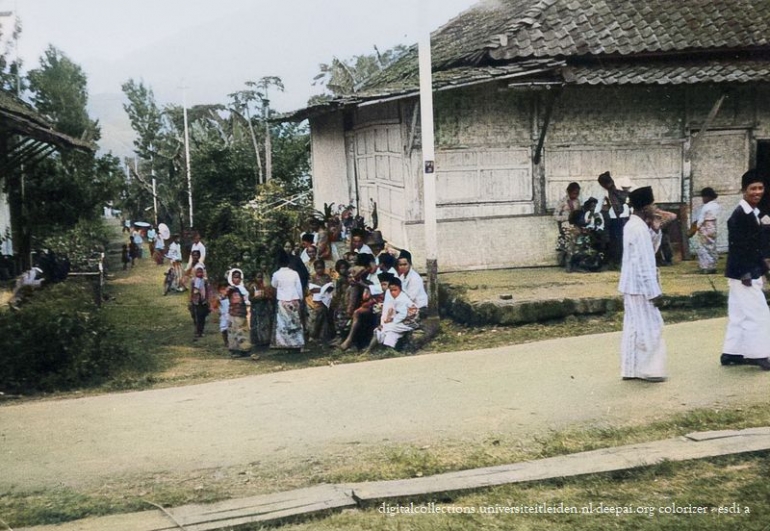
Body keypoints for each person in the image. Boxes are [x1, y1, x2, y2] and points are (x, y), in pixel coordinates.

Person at [720, 170, 770, 370]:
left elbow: (757, 244)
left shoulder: (755, 214)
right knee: (758, 313)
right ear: (743, 190)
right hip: (744, 274)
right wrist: (746, 273)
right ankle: (758, 354)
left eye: (760, 188)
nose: (757, 192)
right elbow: (738, 246)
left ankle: (731, 352)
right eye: (752, 189)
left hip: (747, 271)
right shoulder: (739, 215)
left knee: (739, 313)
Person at [618, 186, 667, 382]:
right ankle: (651, 370)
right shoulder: (637, 228)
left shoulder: (636, 225)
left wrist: (655, 229)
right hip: (640, 287)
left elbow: (650, 249)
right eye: (652, 204)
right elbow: (645, 262)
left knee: (634, 328)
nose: (655, 207)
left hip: (632, 286)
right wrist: (653, 292)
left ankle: (630, 369)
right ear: (644, 206)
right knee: (651, 326)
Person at [371, 277, 419, 353]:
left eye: (395, 290)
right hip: (402, 321)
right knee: (391, 333)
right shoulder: (396, 298)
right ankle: (389, 348)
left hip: (409, 323)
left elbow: (403, 314)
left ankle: (383, 344)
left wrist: (392, 320)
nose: (393, 292)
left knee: (386, 327)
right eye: (391, 290)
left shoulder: (401, 299)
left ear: (400, 289)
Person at [271, 252, 305, 350]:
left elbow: (274, 285)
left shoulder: (276, 274)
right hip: (294, 300)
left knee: (283, 323)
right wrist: (300, 299)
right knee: (296, 322)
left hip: (282, 301)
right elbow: (299, 288)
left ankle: (285, 344)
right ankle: (297, 343)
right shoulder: (294, 273)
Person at [598, 171, 629, 269]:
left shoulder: (621, 184)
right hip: (614, 217)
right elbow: (600, 203)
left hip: (625, 215)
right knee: (615, 240)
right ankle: (616, 261)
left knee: (622, 239)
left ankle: (622, 261)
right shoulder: (606, 191)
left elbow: (627, 197)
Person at [688, 187, 721, 274]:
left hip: (705, 228)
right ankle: (713, 266)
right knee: (712, 247)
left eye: (703, 197)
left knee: (703, 248)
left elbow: (701, 220)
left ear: (708, 197)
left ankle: (706, 266)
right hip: (713, 227)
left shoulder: (706, 207)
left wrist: (695, 229)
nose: (703, 199)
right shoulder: (716, 205)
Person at [553, 182, 582, 270]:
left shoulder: (577, 201)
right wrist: (566, 217)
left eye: (577, 193)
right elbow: (555, 215)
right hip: (566, 224)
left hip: (576, 224)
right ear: (568, 192)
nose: (576, 195)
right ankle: (569, 262)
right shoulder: (563, 202)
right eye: (574, 193)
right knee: (572, 237)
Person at [306, 259, 334, 343]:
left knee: (325, 317)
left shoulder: (327, 277)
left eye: (322, 268)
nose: (320, 270)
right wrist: (321, 289)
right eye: (318, 268)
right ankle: (312, 335)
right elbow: (311, 289)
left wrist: (326, 289)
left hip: (326, 299)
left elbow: (330, 287)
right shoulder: (313, 277)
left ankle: (323, 335)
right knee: (316, 317)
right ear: (315, 268)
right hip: (315, 300)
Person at [226, 268, 252, 357]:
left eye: (238, 277)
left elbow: (247, 300)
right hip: (232, 313)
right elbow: (222, 296)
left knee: (242, 331)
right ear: (231, 278)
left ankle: (245, 349)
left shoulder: (243, 289)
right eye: (234, 277)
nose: (236, 279)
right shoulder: (229, 289)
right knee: (232, 331)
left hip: (241, 313)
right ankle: (235, 349)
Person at [248, 270, 274, 348]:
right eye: (258, 277)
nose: (260, 279)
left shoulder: (264, 286)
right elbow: (250, 298)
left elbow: (269, 295)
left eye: (261, 277)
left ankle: (265, 340)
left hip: (264, 307)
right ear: (254, 278)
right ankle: (257, 341)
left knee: (265, 324)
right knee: (257, 324)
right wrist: (256, 298)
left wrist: (266, 296)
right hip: (256, 308)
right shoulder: (253, 286)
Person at [189, 264, 212, 340]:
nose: (199, 273)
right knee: (196, 316)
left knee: (202, 316)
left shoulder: (205, 280)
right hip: (195, 301)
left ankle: (201, 330)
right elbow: (191, 291)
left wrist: (208, 300)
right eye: (198, 271)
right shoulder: (193, 281)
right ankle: (198, 331)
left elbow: (208, 291)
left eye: (201, 271)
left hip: (203, 301)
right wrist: (190, 300)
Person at [217, 281, 230, 347]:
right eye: (222, 289)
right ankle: (226, 341)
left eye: (225, 289)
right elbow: (216, 305)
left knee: (230, 328)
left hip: (230, 314)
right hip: (223, 315)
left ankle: (231, 341)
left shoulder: (230, 296)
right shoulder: (219, 297)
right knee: (223, 328)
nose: (224, 290)